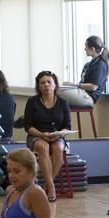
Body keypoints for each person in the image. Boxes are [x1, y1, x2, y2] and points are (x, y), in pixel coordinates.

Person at [20, 70, 72, 201]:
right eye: (42, 83)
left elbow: (67, 126)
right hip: (36, 135)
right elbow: (28, 126)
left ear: (55, 85)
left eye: (49, 82)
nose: (46, 85)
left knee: (58, 149)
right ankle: (51, 187)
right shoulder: (32, 102)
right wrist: (42, 134)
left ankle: (48, 184)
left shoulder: (63, 103)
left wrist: (58, 134)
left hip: (56, 136)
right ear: (38, 86)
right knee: (43, 147)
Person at [57, 36, 109, 109]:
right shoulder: (90, 64)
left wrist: (74, 85)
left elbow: (93, 87)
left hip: (88, 97)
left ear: (92, 49)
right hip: (82, 93)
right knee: (53, 90)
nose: (84, 49)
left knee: (54, 90)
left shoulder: (100, 64)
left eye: (86, 46)